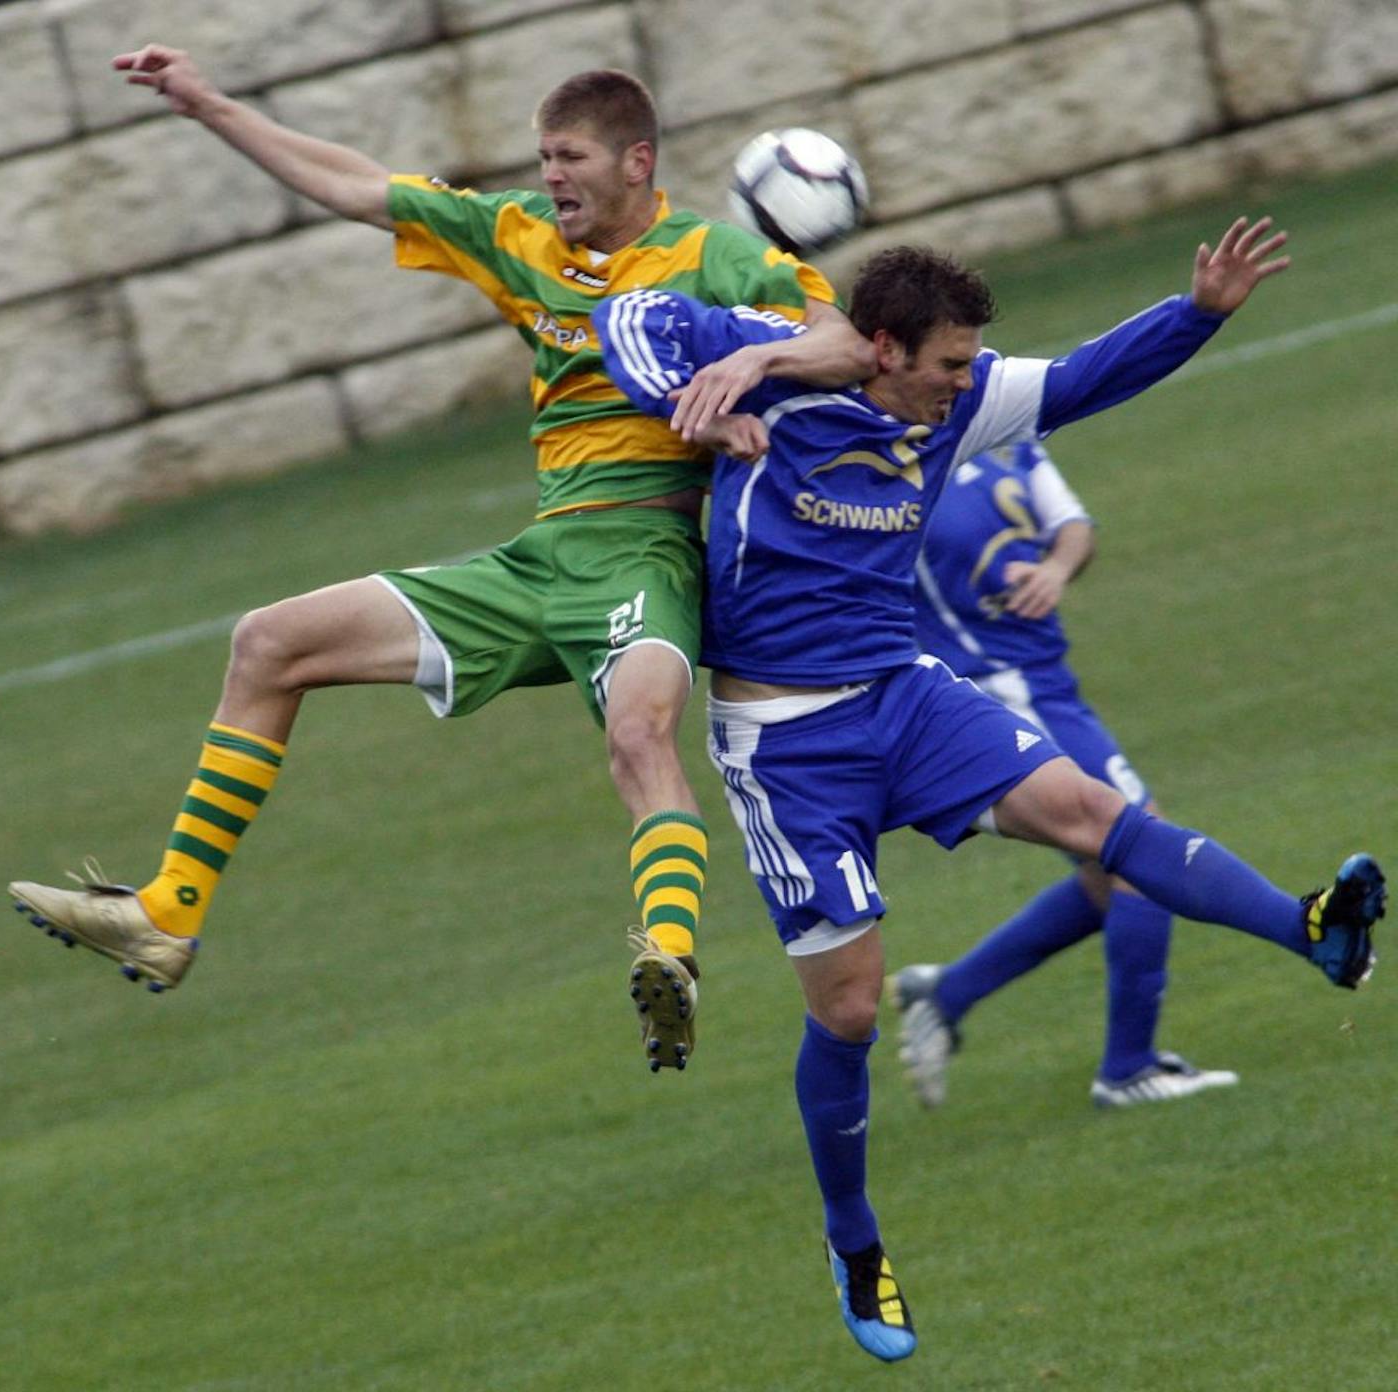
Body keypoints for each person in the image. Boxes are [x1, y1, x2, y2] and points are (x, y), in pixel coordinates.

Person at [592, 221, 1386, 1362]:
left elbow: (1081, 379)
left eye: (969, 364)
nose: (964, 384)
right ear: (881, 347)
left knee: (1097, 820)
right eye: (947, 363)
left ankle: (1308, 928)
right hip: (783, 742)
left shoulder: (951, 404)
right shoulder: (778, 362)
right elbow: (625, 319)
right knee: (850, 1009)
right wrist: (758, 362)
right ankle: (854, 1238)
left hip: (907, 697)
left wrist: (1199, 311)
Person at [5, 46, 875, 1074]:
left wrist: (752, 358)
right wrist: (207, 106)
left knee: (641, 737)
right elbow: (353, 184)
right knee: (270, 641)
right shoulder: (519, 238)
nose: (549, 178)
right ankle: (166, 912)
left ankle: (670, 961)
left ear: (636, 161)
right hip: (539, 562)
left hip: (646, 554)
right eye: (541, 158)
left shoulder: (716, 257)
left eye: (570, 158)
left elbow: (847, 345)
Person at [889, 441, 1238, 1108]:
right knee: (1143, 853)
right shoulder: (886, 464)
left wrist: (1056, 567)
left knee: (1111, 866)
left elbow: (1074, 525)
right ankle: (1128, 1069)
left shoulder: (1008, 429)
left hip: (1047, 679)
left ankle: (947, 993)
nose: (961, 380)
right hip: (993, 692)